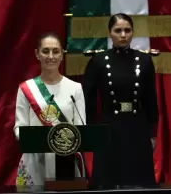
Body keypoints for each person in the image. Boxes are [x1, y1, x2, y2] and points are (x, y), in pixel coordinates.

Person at [83, 13, 159, 186]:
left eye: (127, 30)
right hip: (109, 125)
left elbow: (150, 99)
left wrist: (152, 133)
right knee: (107, 180)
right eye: (118, 30)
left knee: (139, 179)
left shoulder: (144, 60)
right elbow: (89, 98)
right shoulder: (99, 60)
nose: (123, 35)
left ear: (133, 32)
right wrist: (91, 130)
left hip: (137, 124)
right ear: (110, 33)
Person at [13, 32, 86, 186]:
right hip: (34, 158)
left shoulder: (75, 88)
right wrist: (35, 140)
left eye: (56, 51)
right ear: (37, 54)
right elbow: (20, 128)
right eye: (45, 51)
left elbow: (81, 128)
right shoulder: (27, 89)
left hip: (65, 160)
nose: (50, 56)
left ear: (62, 55)